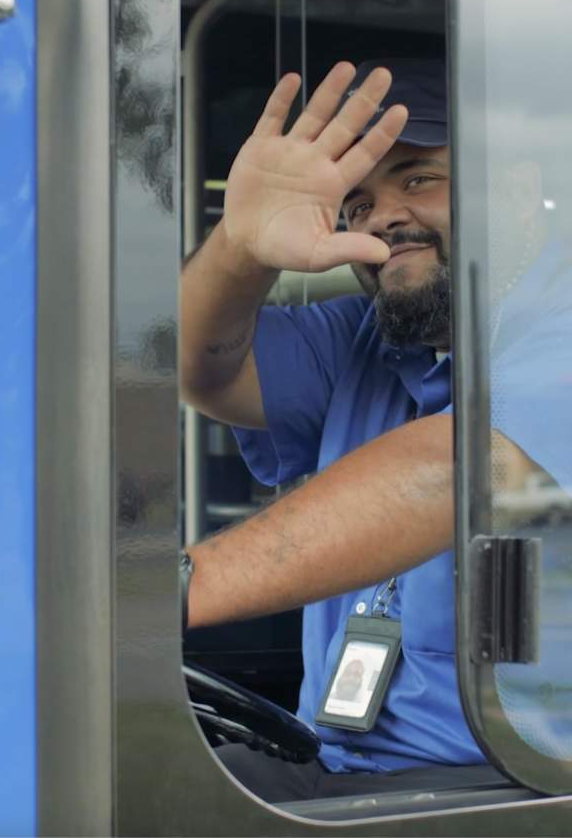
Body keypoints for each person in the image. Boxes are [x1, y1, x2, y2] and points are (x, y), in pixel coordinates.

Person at [179, 57, 542, 802]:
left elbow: (463, 466)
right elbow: (197, 369)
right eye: (355, 202)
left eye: (417, 178)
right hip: (340, 772)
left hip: (503, 789)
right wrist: (242, 250)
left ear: (511, 185)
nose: (381, 216)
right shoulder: (367, 337)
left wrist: (179, 584)